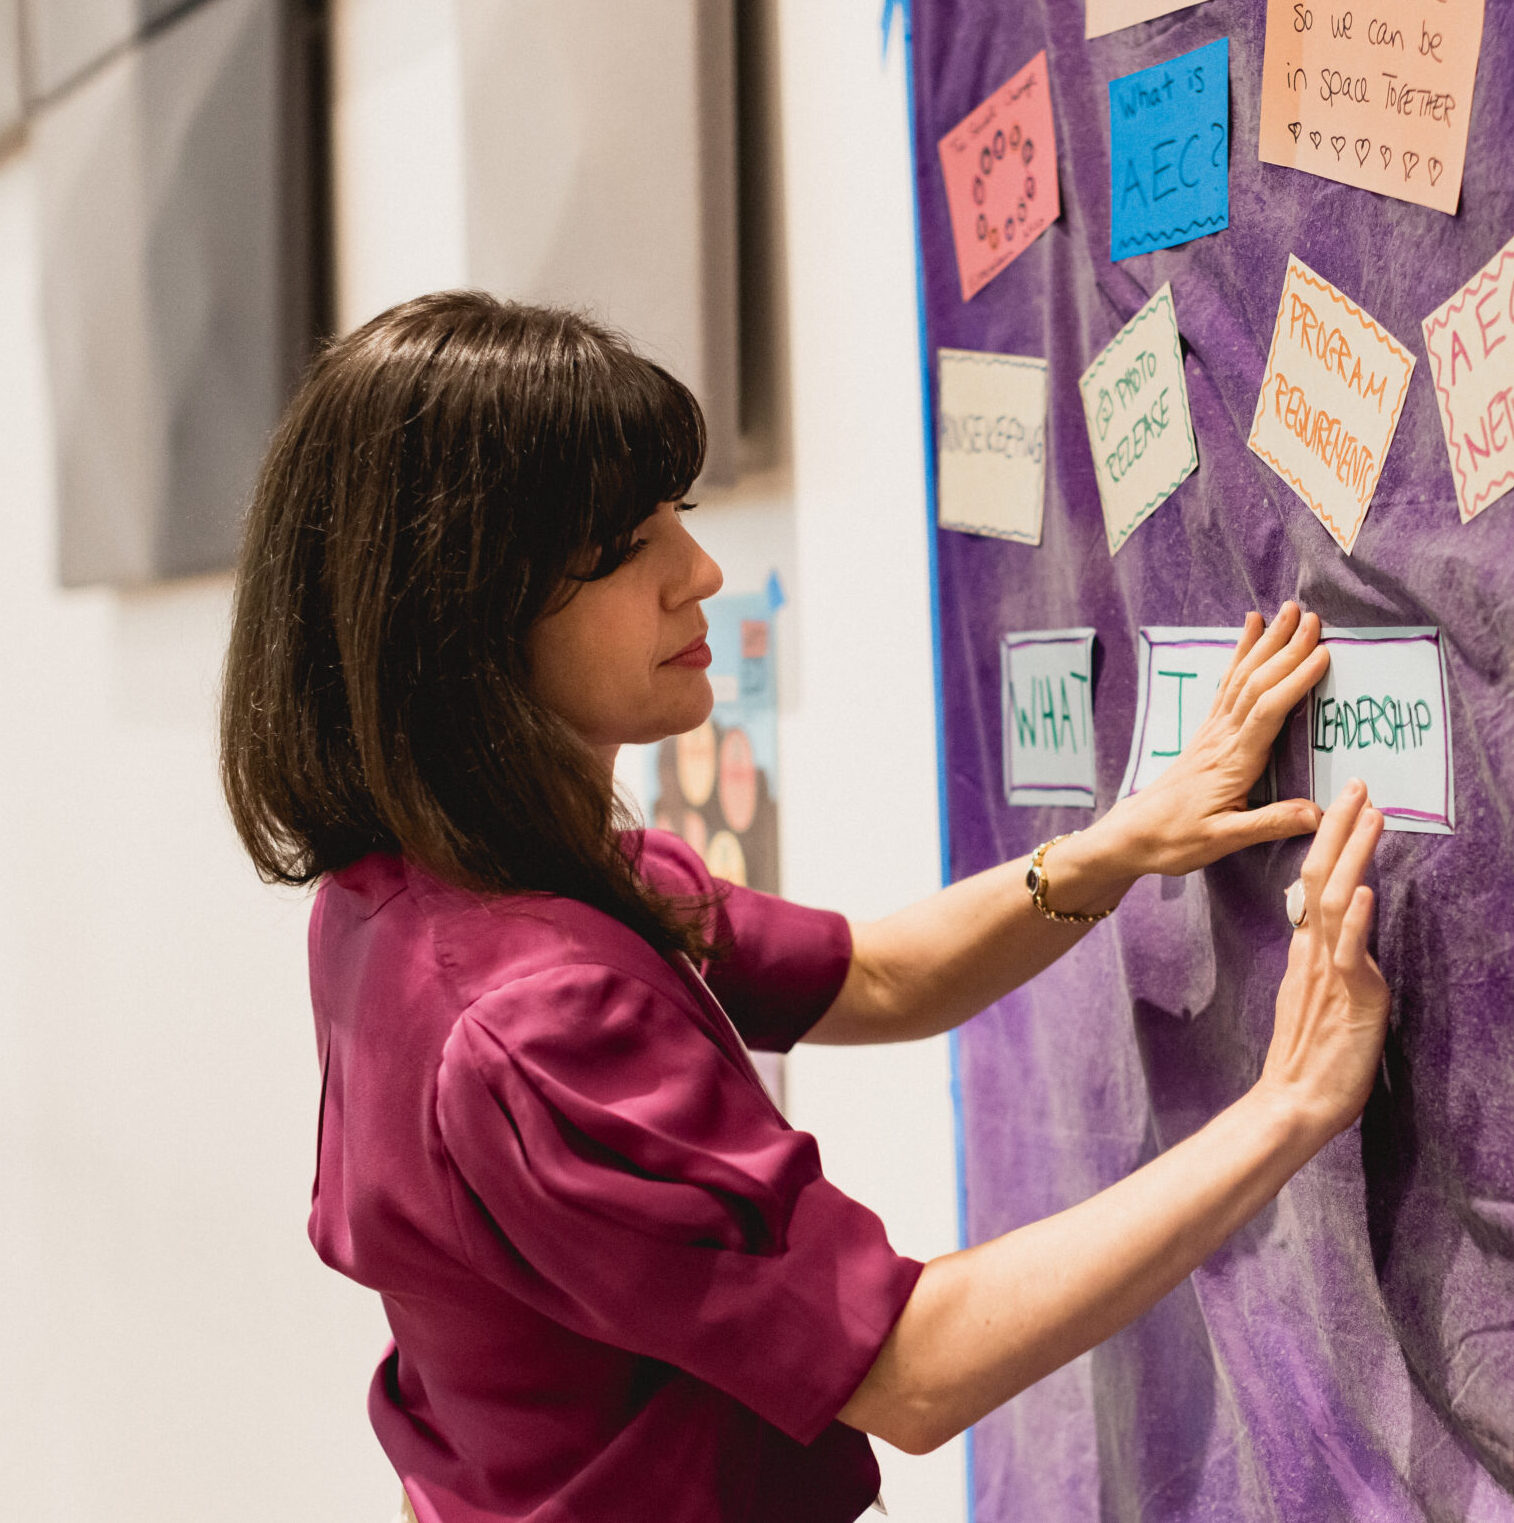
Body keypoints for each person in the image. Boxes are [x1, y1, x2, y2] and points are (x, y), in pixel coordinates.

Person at [219, 292, 1390, 1523]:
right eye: (623, 546)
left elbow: (872, 976)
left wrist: (1114, 848)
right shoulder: (534, 1014)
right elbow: (913, 1367)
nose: (700, 573)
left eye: (680, 513)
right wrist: (1290, 1105)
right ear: (460, 612)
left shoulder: (435, 886)